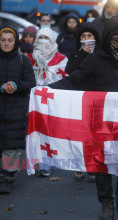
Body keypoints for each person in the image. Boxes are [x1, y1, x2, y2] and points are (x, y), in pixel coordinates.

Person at [49, 18, 118, 220]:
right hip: (99, 121)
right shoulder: (94, 59)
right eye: (115, 36)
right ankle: (106, 203)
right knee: (101, 163)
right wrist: (48, 90)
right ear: (108, 38)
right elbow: (75, 80)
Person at [0, 26, 36, 194]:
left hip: (17, 110)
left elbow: (31, 83)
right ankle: (6, 171)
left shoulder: (23, 61)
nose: (6, 43)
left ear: (15, 41)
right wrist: (0, 87)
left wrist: (16, 85)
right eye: (3, 40)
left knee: (10, 146)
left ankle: (6, 179)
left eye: (10, 40)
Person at [28, 27, 69, 177]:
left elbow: (65, 80)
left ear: (52, 40)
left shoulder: (62, 59)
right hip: (36, 102)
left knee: (52, 131)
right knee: (39, 132)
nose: (43, 41)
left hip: (54, 101)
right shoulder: (30, 58)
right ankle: (42, 163)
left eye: (47, 38)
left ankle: (53, 160)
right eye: (41, 38)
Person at [64, 22, 100, 182]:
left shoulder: (100, 54)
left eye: (90, 37)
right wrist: (82, 54)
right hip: (79, 98)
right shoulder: (76, 53)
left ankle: (93, 167)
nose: (87, 40)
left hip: (96, 98)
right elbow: (70, 70)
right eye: (84, 37)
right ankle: (80, 165)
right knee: (80, 134)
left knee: (94, 134)